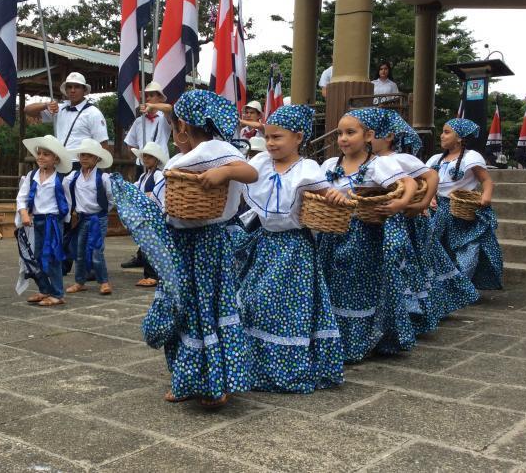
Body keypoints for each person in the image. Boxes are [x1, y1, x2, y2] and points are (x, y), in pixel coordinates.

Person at [144, 90, 258, 407]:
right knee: (186, 309)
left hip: (206, 242)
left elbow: (250, 172)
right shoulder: (182, 158)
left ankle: (213, 383)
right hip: (182, 243)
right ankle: (188, 377)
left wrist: (226, 171)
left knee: (203, 309)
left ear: (183, 126)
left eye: (174, 126)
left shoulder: (215, 149)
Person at [239, 105, 345, 393]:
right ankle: (256, 365)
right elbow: (240, 173)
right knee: (254, 300)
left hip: (294, 249)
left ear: (298, 137)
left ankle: (287, 367)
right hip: (265, 244)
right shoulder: (262, 162)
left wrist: (335, 195)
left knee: (287, 307)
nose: (270, 143)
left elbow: (326, 192)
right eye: (268, 137)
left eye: (277, 137)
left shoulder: (307, 168)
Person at [317, 108, 417, 363]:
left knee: (356, 287)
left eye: (350, 132)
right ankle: (333, 338)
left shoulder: (378, 164)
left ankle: (357, 342)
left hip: (362, 235)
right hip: (332, 232)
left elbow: (410, 183)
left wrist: (400, 203)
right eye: (340, 133)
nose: (343, 139)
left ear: (369, 135)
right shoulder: (330, 165)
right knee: (332, 285)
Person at [371, 110, 478, 333]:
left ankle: (418, 308)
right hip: (380, 221)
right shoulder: (369, 162)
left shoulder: (401, 159)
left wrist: (423, 203)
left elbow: (432, 176)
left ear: (389, 136)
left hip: (408, 222)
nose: (366, 139)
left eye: (371, 134)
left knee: (414, 264)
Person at [427, 118, 503, 290]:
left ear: (460, 137)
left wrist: (486, 197)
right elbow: (427, 183)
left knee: (467, 247)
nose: (442, 136)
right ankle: (440, 285)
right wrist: (430, 197)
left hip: (462, 211)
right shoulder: (435, 159)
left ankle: (461, 287)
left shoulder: (471, 157)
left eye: (447, 132)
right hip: (438, 210)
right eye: (442, 132)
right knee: (437, 246)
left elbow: (486, 181)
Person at [17, 135, 73, 307]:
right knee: (36, 257)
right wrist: (24, 213)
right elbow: (22, 197)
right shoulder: (31, 176)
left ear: (56, 159)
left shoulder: (61, 180)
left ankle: (57, 293)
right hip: (36, 221)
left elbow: (67, 202)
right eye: (39, 153)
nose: (41, 157)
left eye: (46, 154)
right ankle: (44, 289)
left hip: (53, 223)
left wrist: (64, 222)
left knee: (53, 257)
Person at [23, 72, 109, 170]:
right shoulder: (59, 109)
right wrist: (46, 105)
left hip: (81, 165)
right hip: (60, 164)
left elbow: (103, 145)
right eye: (69, 87)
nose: (72, 90)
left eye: (77, 87)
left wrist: (92, 171)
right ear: (66, 90)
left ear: (84, 90)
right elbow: (28, 110)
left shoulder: (93, 113)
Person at [63, 139, 115, 295]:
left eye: (89, 155)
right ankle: (80, 281)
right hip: (82, 219)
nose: (84, 158)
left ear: (97, 158)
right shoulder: (74, 176)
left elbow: (111, 198)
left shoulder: (103, 178)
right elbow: (64, 188)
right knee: (79, 251)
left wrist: (103, 212)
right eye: (82, 155)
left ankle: (104, 281)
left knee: (96, 251)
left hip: (98, 219)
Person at [130, 142, 168, 287]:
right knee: (146, 246)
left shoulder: (158, 174)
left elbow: (158, 193)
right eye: (144, 156)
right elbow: (134, 190)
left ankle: (153, 276)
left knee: (152, 246)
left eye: (149, 156)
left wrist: (141, 195)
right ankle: (149, 274)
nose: (146, 159)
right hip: (145, 215)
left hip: (154, 215)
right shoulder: (143, 176)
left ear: (156, 159)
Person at [123, 82, 173, 179]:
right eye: (146, 96)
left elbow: (169, 108)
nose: (148, 98)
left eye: (151, 95)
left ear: (159, 98)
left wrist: (152, 106)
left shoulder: (164, 118)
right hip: (142, 166)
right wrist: (140, 157)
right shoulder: (138, 121)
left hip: (160, 165)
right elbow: (130, 145)